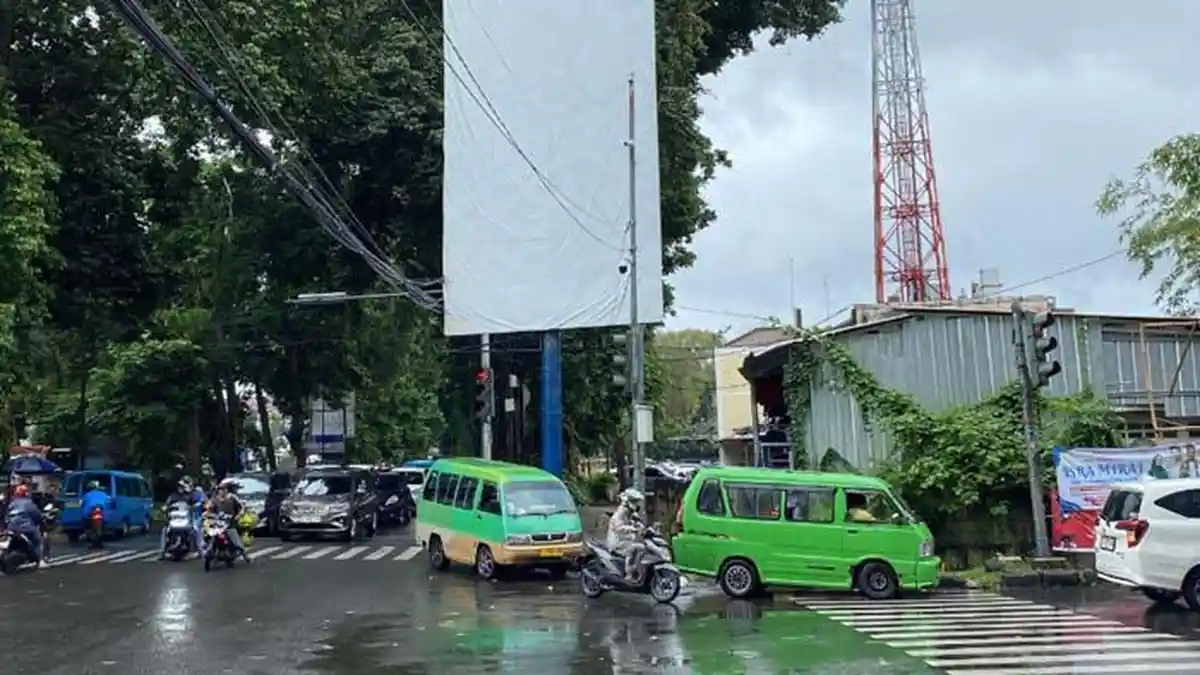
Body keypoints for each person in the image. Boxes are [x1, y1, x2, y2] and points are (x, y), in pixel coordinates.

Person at [606, 488, 646, 582]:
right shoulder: (621, 512)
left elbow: (637, 522)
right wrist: (634, 529)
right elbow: (619, 528)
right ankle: (629, 574)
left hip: (625, 539)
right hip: (616, 541)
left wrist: (642, 527)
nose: (636, 504)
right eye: (634, 501)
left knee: (641, 547)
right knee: (634, 548)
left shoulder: (630, 512)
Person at [207, 477, 251, 562]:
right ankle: (209, 551)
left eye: (224, 489)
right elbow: (209, 508)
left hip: (230, 523)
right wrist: (208, 513)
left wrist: (240, 514)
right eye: (220, 489)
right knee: (211, 536)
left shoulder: (232, 497)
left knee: (236, 540)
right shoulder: (215, 499)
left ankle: (245, 555)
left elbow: (242, 506)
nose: (222, 491)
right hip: (218, 523)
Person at [160, 478, 205, 559]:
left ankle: (200, 550)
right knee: (165, 530)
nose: (180, 488)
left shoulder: (190, 496)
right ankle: (162, 551)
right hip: (174, 518)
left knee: (196, 529)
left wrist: (196, 505)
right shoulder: (173, 496)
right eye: (179, 486)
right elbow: (167, 504)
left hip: (186, 518)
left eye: (182, 486)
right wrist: (165, 507)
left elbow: (196, 503)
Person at [5, 485, 46, 568]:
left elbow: (7, 515)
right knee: (39, 540)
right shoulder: (29, 503)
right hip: (26, 527)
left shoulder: (12, 503)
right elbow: (37, 515)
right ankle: (41, 561)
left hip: (11, 527)